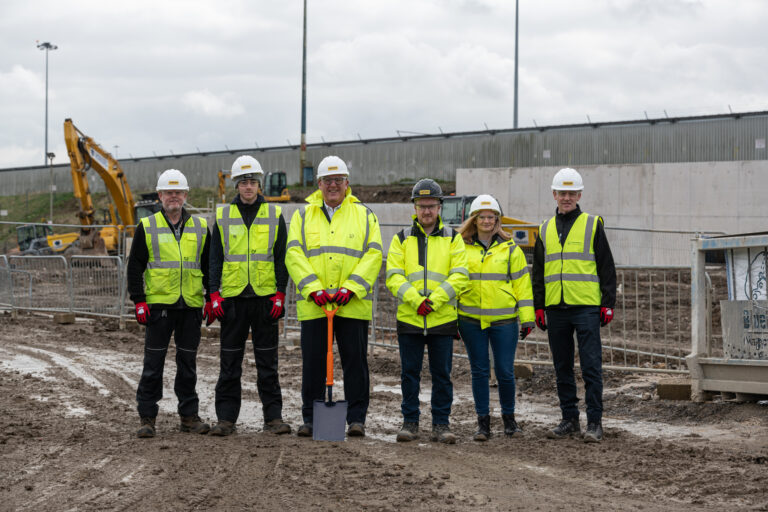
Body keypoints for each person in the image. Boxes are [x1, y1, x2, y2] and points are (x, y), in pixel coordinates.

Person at [286, 155, 383, 438]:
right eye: (327, 181)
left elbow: (374, 254)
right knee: (313, 363)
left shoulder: (364, 215)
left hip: (351, 304)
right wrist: (312, 288)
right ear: (319, 184)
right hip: (316, 305)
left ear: (346, 183)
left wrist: (351, 288)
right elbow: (294, 253)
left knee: (355, 362)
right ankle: (311, 419)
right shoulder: (303, 216)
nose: (333, 185)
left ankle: (356, 419)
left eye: (338, 180)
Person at [207, 155, 291, 436]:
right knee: (229, 363)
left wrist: (281, 292)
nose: (248, 187)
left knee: (268, 363)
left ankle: (273, 418)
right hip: (232, 300)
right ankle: (226, 419)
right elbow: (215, 258)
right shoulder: (222, 216)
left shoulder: (274, 215)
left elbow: (282, 258)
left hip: (265, 298)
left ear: (259, 184)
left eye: (253, 182)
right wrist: (214, 294)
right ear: (236, 185)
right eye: (244, 182)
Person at [532, 167, 616, 443]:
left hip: (586, 307)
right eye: (562, 193)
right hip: (556, 308)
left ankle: (594, 422)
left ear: (579, 194)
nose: (566, 198)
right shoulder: (544, 229)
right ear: (554, 195)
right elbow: (539, 271)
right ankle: (569, 419)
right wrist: (539, 306)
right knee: (562, 366)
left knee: (591, 366)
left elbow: (606, 266)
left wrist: (607, 303)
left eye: (571, 193)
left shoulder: (592, 224)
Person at [127, 169, 211, 438]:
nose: (173, 197)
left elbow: (208, 266)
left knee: (188, 364)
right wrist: (139, 301)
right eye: (168, 192)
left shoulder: (200, 227)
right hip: (159, 307)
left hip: (190, 307)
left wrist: (212, 296)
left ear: (185, 195)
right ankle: (147, 418)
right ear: (160, 196)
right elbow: (135, 266)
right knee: (153, 364)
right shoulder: (147, 226)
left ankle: (189, 417)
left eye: (178, 192)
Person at [385, 179, 469, 444]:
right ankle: (410, 422)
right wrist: (414, 300)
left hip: (441, 319)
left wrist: (433, 301)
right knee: (409, 373)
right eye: (422, 206)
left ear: (440, 207)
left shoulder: (454, 238)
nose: (427, 211)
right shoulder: (401, 239)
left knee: (442, 375)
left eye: (431, 206)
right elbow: (393, 276)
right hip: (410, 319)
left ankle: (441, 424)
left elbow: (460, 276)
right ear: (415, 207)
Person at [457, 194, 534, 441]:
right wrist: (451, 318)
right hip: (470, 320)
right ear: (474, 220)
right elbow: (454, 283)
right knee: (479, 371)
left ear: (497, 220)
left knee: (504, 371)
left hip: (504, 322)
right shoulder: (460, 247)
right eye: (482, 217)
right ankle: (483, 424)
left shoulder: (510, 248)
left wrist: (528, 317)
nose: (487, 221)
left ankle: (509, 421)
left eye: (492, 217)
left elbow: (522, 284)